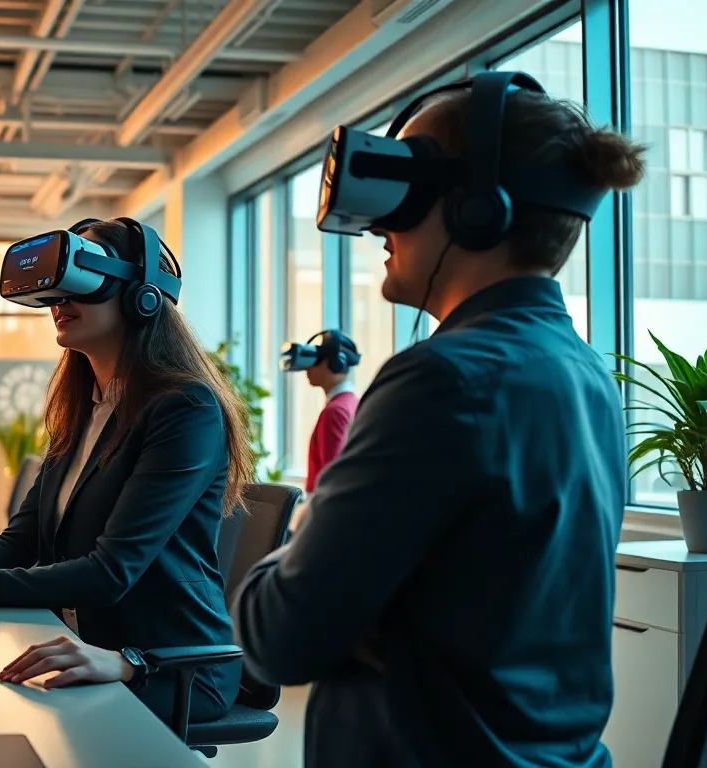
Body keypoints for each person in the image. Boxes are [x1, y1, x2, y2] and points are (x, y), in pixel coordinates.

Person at [232, 74, 646, 766]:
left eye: (405, 189)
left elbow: (280, 637)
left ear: (477, 210)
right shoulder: (584, 375)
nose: (379, 226)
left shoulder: (442, 378)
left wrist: (304, 536)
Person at [0, 218, 253, 725]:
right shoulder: (85, 410)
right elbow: (19, 543)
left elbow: (111, 572)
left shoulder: (184, 410)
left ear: (143, 297)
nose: (60, 301)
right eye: (56, 291)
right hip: (80, 646)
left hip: (164, 665)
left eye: (85, 282)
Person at [283, 329, 361, 493]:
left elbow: (332, 478)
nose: (307, 368)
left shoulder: (335, 411)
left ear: (335, 363)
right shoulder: (353, 403)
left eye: (316, 360)